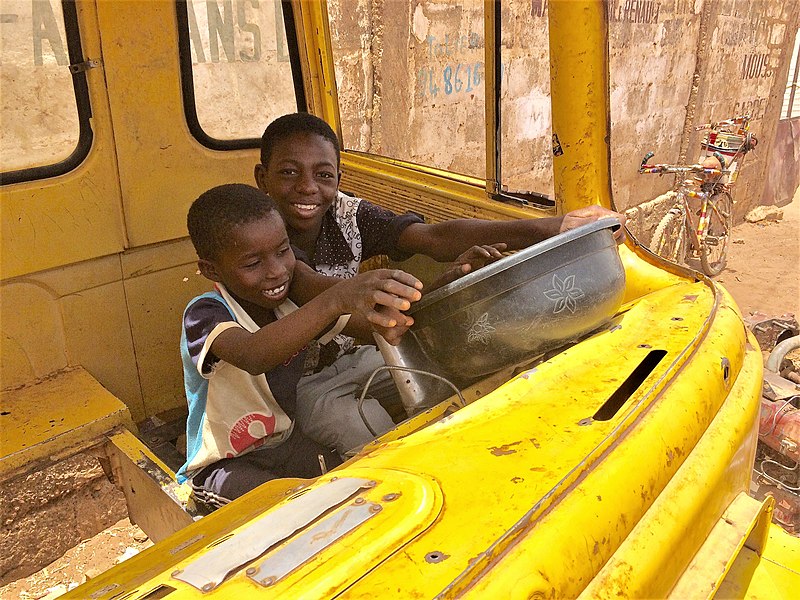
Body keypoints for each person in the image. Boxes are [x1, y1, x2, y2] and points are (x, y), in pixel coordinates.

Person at [253, 112, 627, 453]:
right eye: (288, 173)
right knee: (372, 435)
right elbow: (312, 290)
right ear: (262, 178)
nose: (307, 187)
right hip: (307, 381)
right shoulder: (264, 238)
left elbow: (433, 238)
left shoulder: (346, 213)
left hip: (365, 353)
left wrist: (552, 228)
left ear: (338, 179)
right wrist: (368, 296)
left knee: (462, 383)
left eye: (323, 175)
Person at [177, 183, 422, 508]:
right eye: (253, 264)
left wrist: (429, 294)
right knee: (291, 508)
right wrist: (334, 299)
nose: (277, 271)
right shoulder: (204, 314)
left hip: (286, 443)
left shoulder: (288, 306)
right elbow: (254, 354)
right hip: (225, 464)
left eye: (283, 251)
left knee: (356, 484)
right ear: (211, 270)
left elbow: (374, 328)